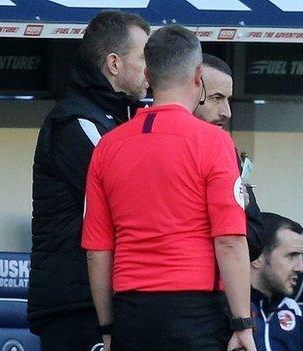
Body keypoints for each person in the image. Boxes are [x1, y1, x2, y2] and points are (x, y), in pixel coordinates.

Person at [81, 25, 256, 351]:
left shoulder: (108, 146)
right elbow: (230, 240)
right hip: (195, 313)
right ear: (198, 76)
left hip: (131, 312)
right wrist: (242, 323)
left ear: (148, 74)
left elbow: (97, 251)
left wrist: (108, 328)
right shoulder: (215, 142)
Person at [28, 11, 150, 351]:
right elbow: (131, 195)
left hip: (105, 301)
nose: (150, 70)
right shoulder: (75, 121)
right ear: (113, 63)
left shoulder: (119, 117)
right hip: (76, 303)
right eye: (144, 58)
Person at [194, 53, 264, 261]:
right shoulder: (152, 143)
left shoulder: (226, 149)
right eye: (217, 98)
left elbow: (255, 241)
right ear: (191, 91)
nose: (227, 112)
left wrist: (245, 204)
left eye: (228, 100)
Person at [250, 212, 303, 351]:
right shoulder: (229, 311)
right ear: (257, 257)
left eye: (301, 256)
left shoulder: (294, 311)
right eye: (291, 255)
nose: (301, 268)